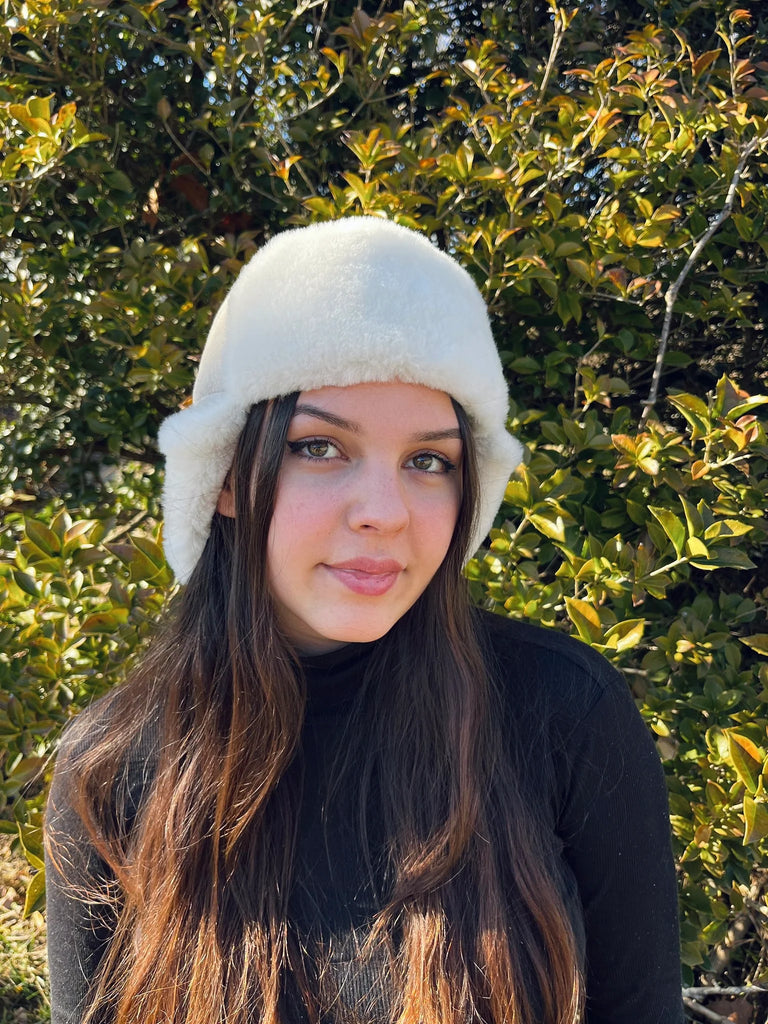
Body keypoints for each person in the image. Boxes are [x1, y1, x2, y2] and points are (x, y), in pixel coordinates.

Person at [44, 217, 685, 1024]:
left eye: (429, 462)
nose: (384, 512)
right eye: (320, 447)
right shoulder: (114, 774)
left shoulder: (562, 713)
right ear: (227, 479)